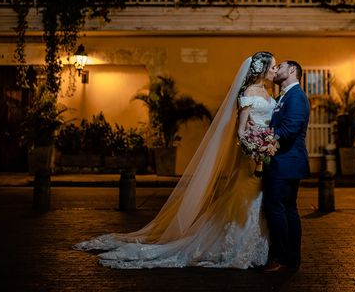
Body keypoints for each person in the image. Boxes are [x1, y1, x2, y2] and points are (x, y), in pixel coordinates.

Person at [74, 52, 278, 268]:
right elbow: (240, 131)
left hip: (265, 155)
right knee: (245, 200)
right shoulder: (247, 92)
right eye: (272, 67)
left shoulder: (266, 91)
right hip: (251, 157)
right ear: (262, 68)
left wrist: (267, 142)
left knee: (259, 200)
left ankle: (258, 246)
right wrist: (255, 147)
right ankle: (237, 246)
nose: (275, 70)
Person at [262, 60, 310, 273]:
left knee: (277, 209)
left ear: (292, 71)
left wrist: (263, 143)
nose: (276, 69)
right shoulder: (284, 95)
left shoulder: (297, 96)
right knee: (286, 209)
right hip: (283, 161)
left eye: (280, 66)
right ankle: (291, 257)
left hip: (286, 161)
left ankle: (281, 257)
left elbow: (289, 128)